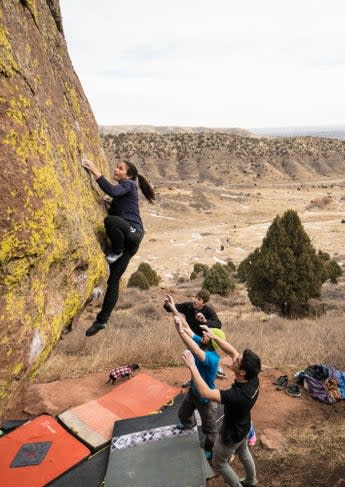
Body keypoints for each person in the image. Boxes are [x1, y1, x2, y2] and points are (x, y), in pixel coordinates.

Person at [81, 158, 155, 336]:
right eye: (116, 167)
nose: (115, 169)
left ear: (128, 175)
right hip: (131, 240)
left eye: (120, 168)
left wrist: (95, 172)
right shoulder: (125, 191)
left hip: (133, 232)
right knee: (113, 281)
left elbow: (112, 190)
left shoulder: (129, 184)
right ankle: (102, 321)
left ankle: (117, 250)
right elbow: (117, 201)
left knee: (110, 221)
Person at [181, 330, 261, 487]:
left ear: (242, 372)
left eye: (237, 360)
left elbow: (205, 392)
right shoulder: (253, 377)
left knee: (220, 464)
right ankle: (252, 481)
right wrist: (214, 337)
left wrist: (192, 366)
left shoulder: (237, 395)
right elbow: (231, 350)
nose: (234, 357)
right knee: (244, 452)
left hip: (230, 434)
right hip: (244, 427)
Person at [171, 314, 225, 460]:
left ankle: (209, 448)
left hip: (205, 398)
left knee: (210, 429)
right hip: (193, 391)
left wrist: (180, 331)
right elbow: (188, 328)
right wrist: (174, 311)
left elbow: (194, 350)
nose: (203, 335)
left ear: (212, 341)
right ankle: (189, 425)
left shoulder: (212, 358)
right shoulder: (202, 343)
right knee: (183, 414)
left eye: (207, 335)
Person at [164, 292, 226, 382]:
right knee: (194, 358)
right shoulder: (188, 306)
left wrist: (205, 321)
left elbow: (218, 324)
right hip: (192, 336)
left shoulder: (209, 311)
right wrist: (168, 305)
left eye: (199, 299)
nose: (195, 300)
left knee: (204, 359)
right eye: (195, 297)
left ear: (203, 303)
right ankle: (196, 378)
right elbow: (174, 308)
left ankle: (214, 370)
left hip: (205, 340)